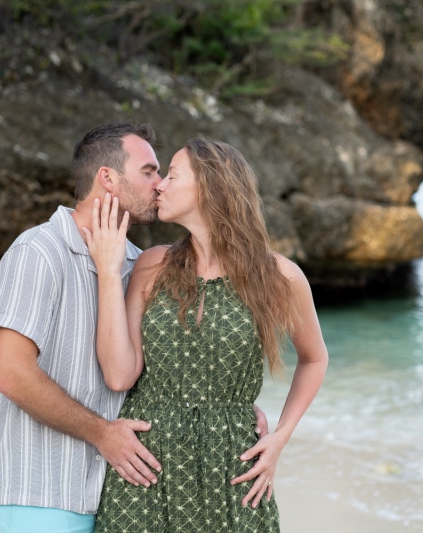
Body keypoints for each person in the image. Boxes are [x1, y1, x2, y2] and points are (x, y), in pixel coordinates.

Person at [0, 123, 269, 533]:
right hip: (41, 491)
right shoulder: (39, 253)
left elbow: (147, 366)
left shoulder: (139, 263)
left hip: (117, 491)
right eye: (150, 171)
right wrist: (102, 434)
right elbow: (10, 374)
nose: (158, 185)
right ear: (108, 178)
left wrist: (230, 403)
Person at [85, 136, 329, 532]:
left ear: (211, 187)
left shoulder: (279, 276)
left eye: (173, 175)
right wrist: (110, 273)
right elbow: (118, 375)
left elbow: (315, 359)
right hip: (147, 466)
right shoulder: (152, 265)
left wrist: (281, 437)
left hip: (233, 467)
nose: (160, 184)